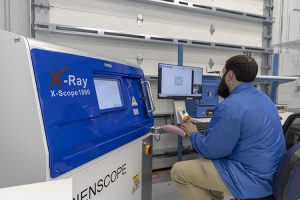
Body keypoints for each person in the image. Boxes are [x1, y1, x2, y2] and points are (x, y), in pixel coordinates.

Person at [170, 55, 286, 200]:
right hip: (271, 175)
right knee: (209, 167)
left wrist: (194, 134)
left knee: (178, 171)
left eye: (222, 73)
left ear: (230, 75)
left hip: (251, 179)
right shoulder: (265, 99)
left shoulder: (230, 107)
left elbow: (211, 151)